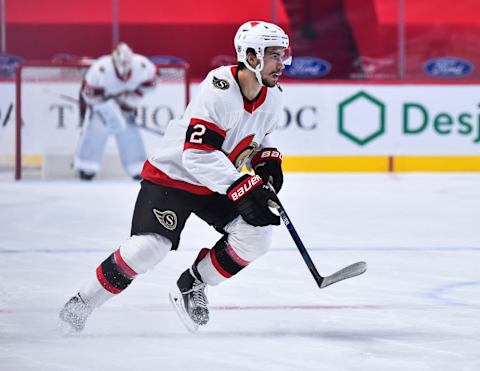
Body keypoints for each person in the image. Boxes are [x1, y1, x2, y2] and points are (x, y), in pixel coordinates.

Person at [60, 20, 292, 332]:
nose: (282, 63)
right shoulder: (218, 89)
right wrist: (241, 186)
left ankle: (193, 283)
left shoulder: (274, 95)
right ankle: (83, 302)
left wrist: (267, 162)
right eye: (274, 55)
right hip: (173, 177)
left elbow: (260, 137)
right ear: (251, 57)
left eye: (282, 54)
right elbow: (196, 155)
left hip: (215, 182)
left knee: (258, 235)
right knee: (147, 249)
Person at [73, 42, 158, 180]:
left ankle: (136, 167)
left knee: (129, 131)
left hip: (125, 108)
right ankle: (86, 167)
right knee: (96, 129)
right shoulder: (101, 69)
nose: (124, 67)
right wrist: (107, 106)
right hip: (103, 108)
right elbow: (88, 94)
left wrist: (130, 101)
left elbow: (150, 85)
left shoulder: (142, 66)